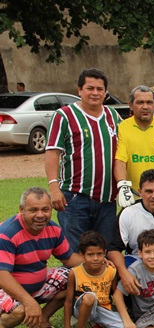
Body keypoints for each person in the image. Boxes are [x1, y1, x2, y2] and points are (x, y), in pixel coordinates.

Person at [45, 67, 120, 250]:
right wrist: (54, 188)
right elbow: (52, 152)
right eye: (90, 88)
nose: (95, 93)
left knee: (104, 253)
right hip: (75, 198)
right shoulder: (64, 116)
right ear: (79, 90)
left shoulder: (112, 116)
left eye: (99, 89)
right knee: (75, 253)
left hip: (107, 201)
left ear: (105, 92)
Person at [0, 187, 82, 328]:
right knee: (19, 310)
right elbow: (2, 275)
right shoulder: (7, 233)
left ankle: (42, 320)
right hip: (5, 288)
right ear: (22, 210)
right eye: (33, 210)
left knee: (74, 277)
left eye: (45, 209)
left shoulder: (53, 229)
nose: (40, 215)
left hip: (36, 286)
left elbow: (69, 258)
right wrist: (29, 302)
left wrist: (99, 266)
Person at [60, 231, 130, 328]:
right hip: (81, 307)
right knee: (90, 297)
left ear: (105, 253)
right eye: (90, 255)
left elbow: (115, 294)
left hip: (103, 307)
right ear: (82, 255)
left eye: (99, 254)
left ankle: (96, 323)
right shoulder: (75, 273)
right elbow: (68, 302)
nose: (96, 258)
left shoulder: (111, 270)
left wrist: (125, 318)